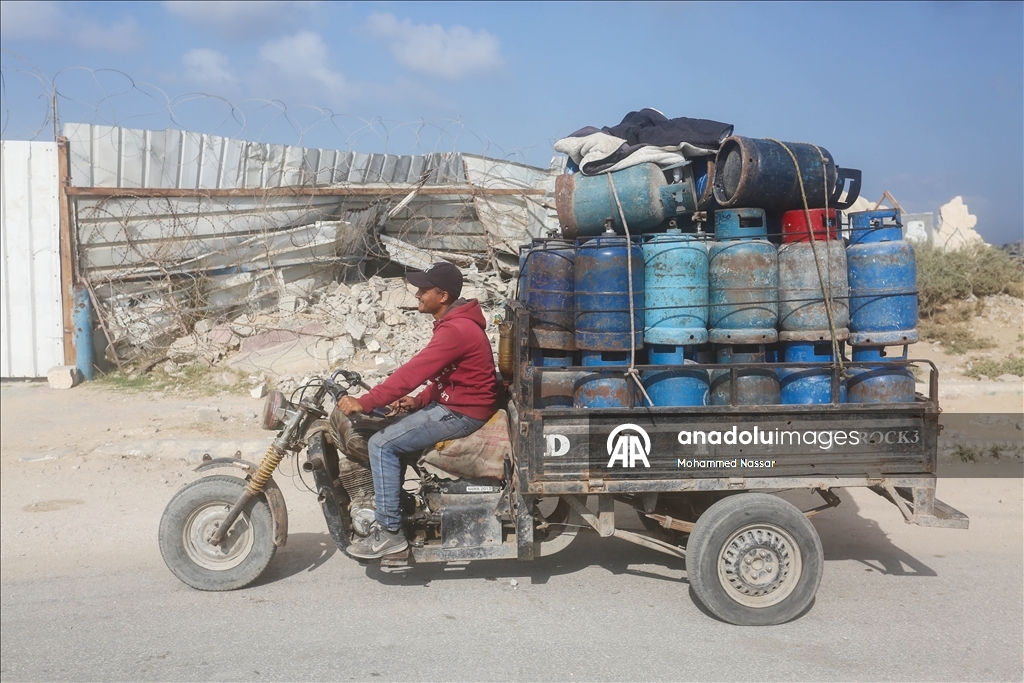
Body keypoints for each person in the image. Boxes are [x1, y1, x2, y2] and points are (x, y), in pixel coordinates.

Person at [337, 261, 498, 559]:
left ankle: (390, 534)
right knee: (386, 429)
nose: (417, 295)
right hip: (457, 403)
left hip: (463, 412)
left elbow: (413, 372)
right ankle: (394, 507)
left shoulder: (456, 329)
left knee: (382, 444)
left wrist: (366, 401)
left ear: (443, 296)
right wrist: (420, 400)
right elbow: (448, 376)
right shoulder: (454, 323)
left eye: (424, 290)